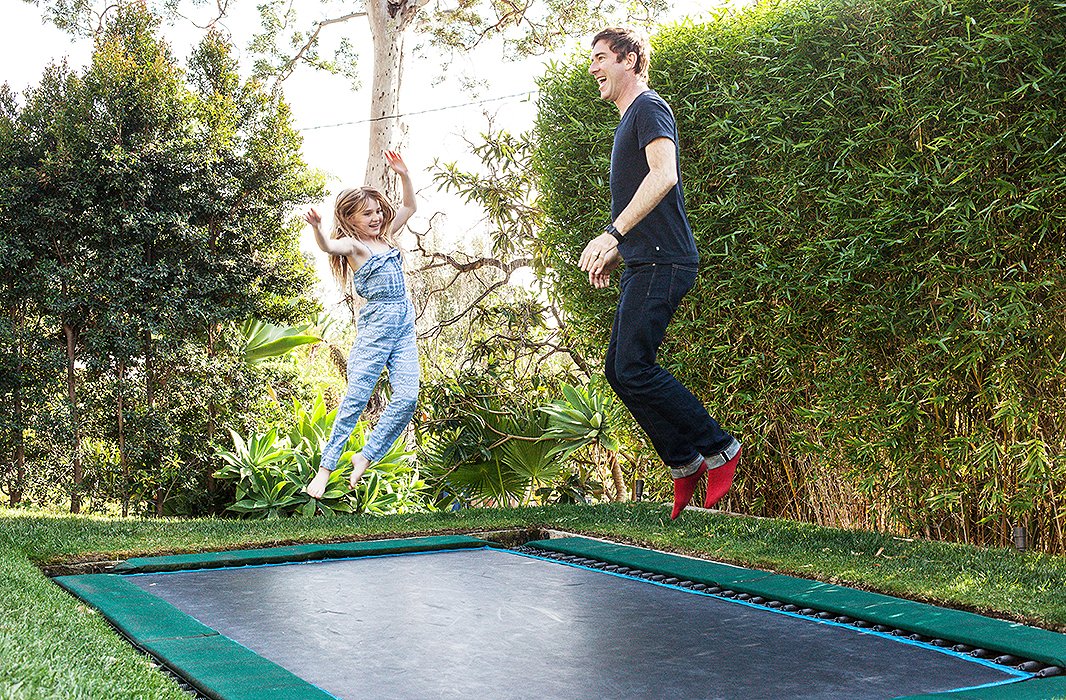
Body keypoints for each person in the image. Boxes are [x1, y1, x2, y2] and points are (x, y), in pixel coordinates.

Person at [579, 28, 741, 519]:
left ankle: (719, 450)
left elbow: (664, 174)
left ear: (630, 60)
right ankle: (685, 463)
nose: (594, 69)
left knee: (632, 367)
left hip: (665, 259)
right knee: (620, 370)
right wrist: (618, 248)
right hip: (645, 258)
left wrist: (612, 234)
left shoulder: (648, 108)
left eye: (602, 58)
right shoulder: (629, 119)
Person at [305, 151, 419, 499]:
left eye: (378, 211)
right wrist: (316, 228)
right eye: (366, 213)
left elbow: (410, 208)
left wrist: (404, 175)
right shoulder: (354, 246)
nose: (376, 217)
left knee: (407, 398)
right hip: (376, 326)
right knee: (355, 399)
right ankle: (324, 470)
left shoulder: (386, 237)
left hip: (404, 323)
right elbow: (328, 246)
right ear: (351, 218)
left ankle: (366, 455)